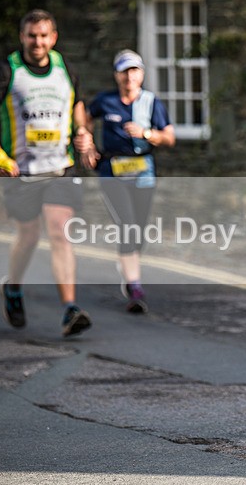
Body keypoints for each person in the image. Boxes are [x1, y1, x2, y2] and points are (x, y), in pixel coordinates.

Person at [0, 9, 93, 337]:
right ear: (22, 37)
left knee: (60, 231)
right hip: (21, 171)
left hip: (59, 167)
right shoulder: (8, 71)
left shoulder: (64, 68)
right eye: (31, 35)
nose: (37, 42)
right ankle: (12, 287)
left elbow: (78, 103)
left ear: (53, 37)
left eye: (43, 35)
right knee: (27, 236)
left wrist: (83, 131)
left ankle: (70, 308)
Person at [75, 49, 175, 313]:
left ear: (141, 74)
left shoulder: (152, 102)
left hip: (143, 170)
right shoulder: (106, 101)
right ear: (116, 75)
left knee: (138, 230)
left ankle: (129, 269)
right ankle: (135, 285)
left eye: (133, 70)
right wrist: (87, 143)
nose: (129, 76)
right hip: (112, 171)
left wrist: (147, 133)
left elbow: (169, 137)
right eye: (124, 71)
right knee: (127, 224)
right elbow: (83, 116)